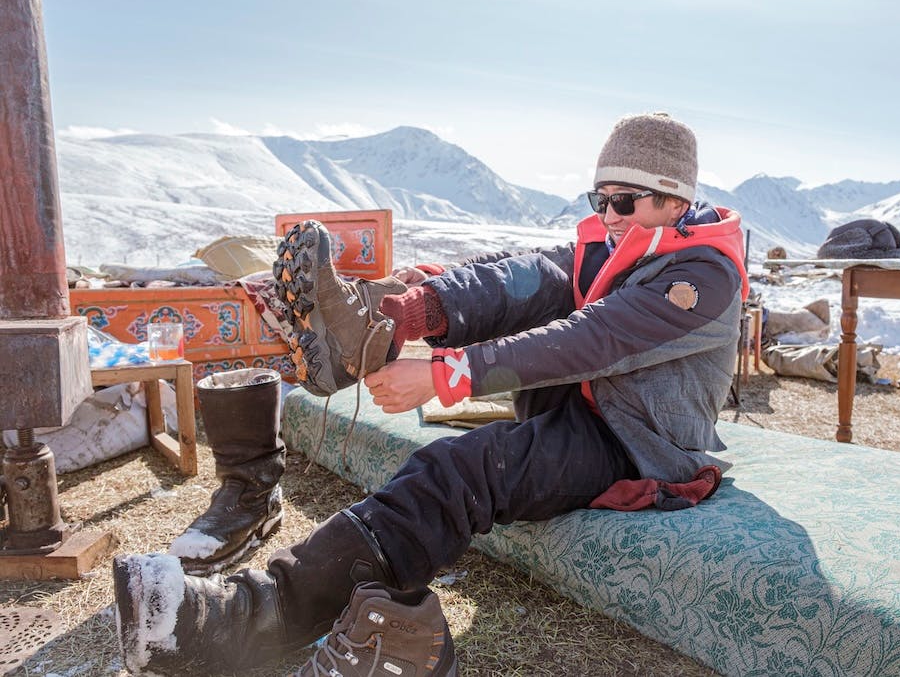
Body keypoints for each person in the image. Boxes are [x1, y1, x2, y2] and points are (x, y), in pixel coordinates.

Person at [112, 112, 750, 675]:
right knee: (521, 291)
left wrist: (448, 374)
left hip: (637, 439)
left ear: (672, 200)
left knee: (458, 471)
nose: (607, 215)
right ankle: (371, 325)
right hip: (582, 408)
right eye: (599, 197)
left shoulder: (704, 275)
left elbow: (593, 338)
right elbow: (520, 281)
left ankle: (263, 613)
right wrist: (413, 312)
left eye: (625, 201)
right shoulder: (614, 245)